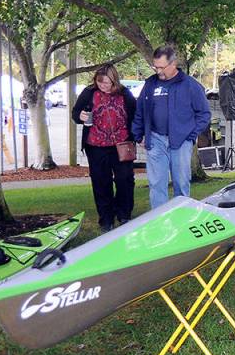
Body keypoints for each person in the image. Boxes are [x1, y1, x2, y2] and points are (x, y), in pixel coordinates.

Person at [132, 46, 211, 208]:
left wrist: (191, 135)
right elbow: (140, 110)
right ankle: (159, 223)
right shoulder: (150, 84)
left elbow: (204, 114)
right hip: (155, 140)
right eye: (155, 67)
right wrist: (138, 134)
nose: (158, 71)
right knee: (156, 184)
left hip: (181, 141)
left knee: (181, 183)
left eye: (162, 67)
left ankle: (181, 221)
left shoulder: (190, 85)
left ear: (173, 63)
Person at [74, 63, 137, 230]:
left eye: (106, 82)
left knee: (125, 180)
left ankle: (124, 214)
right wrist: (80, 116)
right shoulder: (89, 93)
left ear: (114, 80)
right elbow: (75, 113)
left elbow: (135, 116)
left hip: (121, 145)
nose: (103, 86)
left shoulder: (125, 94)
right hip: (96, 146)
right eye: (100, 82)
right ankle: (106, 219)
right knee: (101, 183)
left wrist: (136, 135)